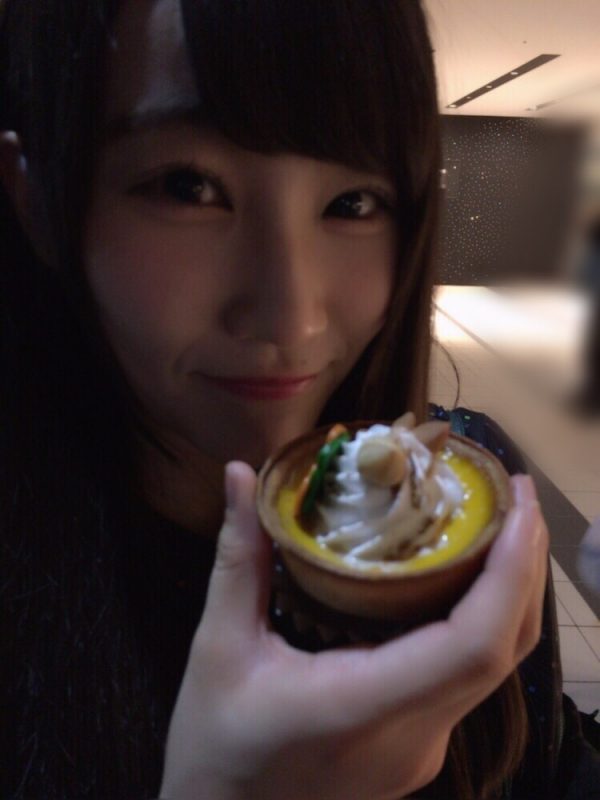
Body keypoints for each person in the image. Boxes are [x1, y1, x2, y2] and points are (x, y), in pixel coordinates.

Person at [0, 1, 597, 798]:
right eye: (187, 187)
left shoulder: (464, 483)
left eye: (353, 203)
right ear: (39, 201)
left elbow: (550, 765)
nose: (293, 317)